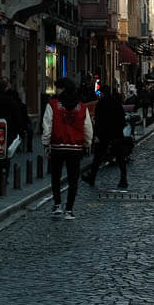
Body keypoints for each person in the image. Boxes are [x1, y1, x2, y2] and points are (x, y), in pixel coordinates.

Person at [42, 77, 92, 219]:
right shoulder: (82, 107)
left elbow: (47, 126)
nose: (56, 90)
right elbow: (87, 127)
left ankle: (57, 205)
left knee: (56, 177)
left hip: (57, 146)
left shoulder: (52, 105)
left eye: (58, 87)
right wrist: (87, 143)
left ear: (62, 89)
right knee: (73, 179)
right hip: (75, 148)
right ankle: (69, 209)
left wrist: (46, 143)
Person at [83, 86, 126, 189]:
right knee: (120, 158)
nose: (99, 95)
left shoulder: (101, 104)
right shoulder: (117, 103)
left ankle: (92, 178)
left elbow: (98, 121)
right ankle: (123, 179)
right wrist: (120, 130)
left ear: (102, 93)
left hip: (104, 135)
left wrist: (97, 135)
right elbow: (122, 118)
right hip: (117, 134)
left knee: (97, 158)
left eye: (100, 93)